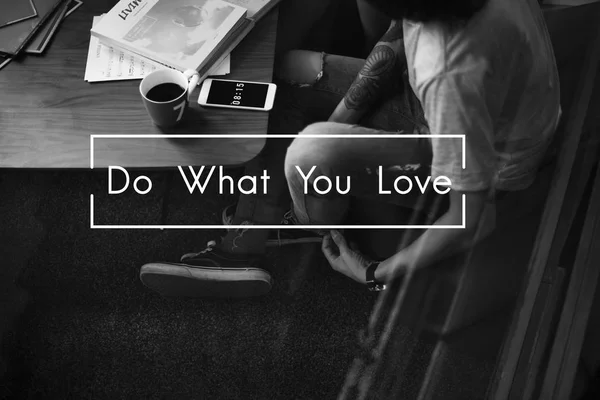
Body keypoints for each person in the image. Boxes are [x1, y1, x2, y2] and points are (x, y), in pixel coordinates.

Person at [140, 0, 561, 297]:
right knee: (290, 73)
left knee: (311, 153)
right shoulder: (437, 13)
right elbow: (401, 31)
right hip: (442, 109)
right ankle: (266, 218)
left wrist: (374, 273)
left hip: (482, 166)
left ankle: (276, 233)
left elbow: (473, 218)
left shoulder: (449, 70)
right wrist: (342, 117)